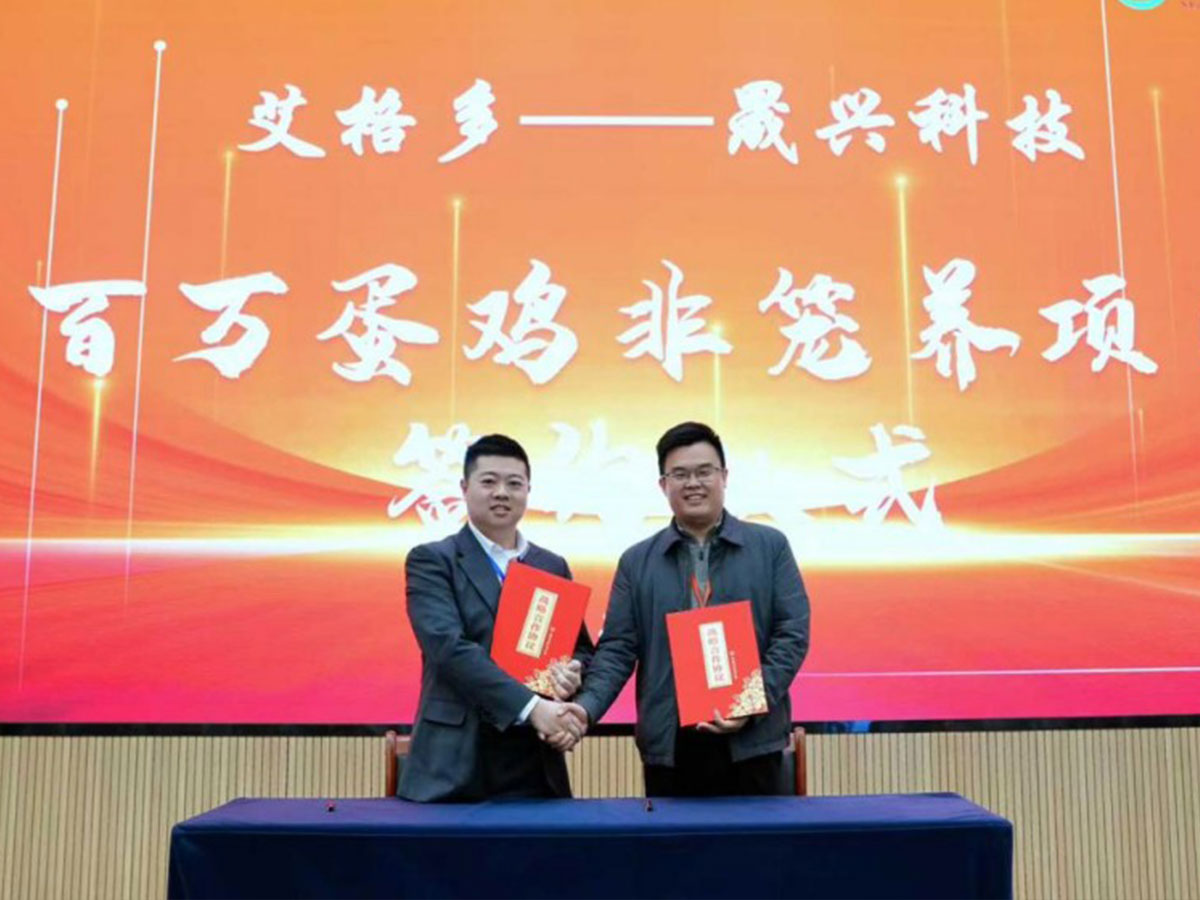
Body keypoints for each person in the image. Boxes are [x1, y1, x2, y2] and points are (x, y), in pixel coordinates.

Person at [573, 421, 810, 796]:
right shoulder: (637, 561)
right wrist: (584, 709)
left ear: (724, 476)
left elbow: (791, 634)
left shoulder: (770, 546)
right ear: (663, 484)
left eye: (704, 471)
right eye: (680, 474)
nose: (693, 483)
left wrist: (749, 701)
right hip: (671, 744)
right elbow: (617, 649)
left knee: (758, 836)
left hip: (752, 741)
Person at [398, 434, 593, 802]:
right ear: (465, 487)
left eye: (514, 483)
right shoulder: (433, 560)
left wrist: (572, 673)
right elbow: (449, 649)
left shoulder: (551, 566)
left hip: (535, 758)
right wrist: (533, 708)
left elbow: (580, 648)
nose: (502, 492)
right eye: (489, 481)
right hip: (455, 761)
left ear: (528, 490)